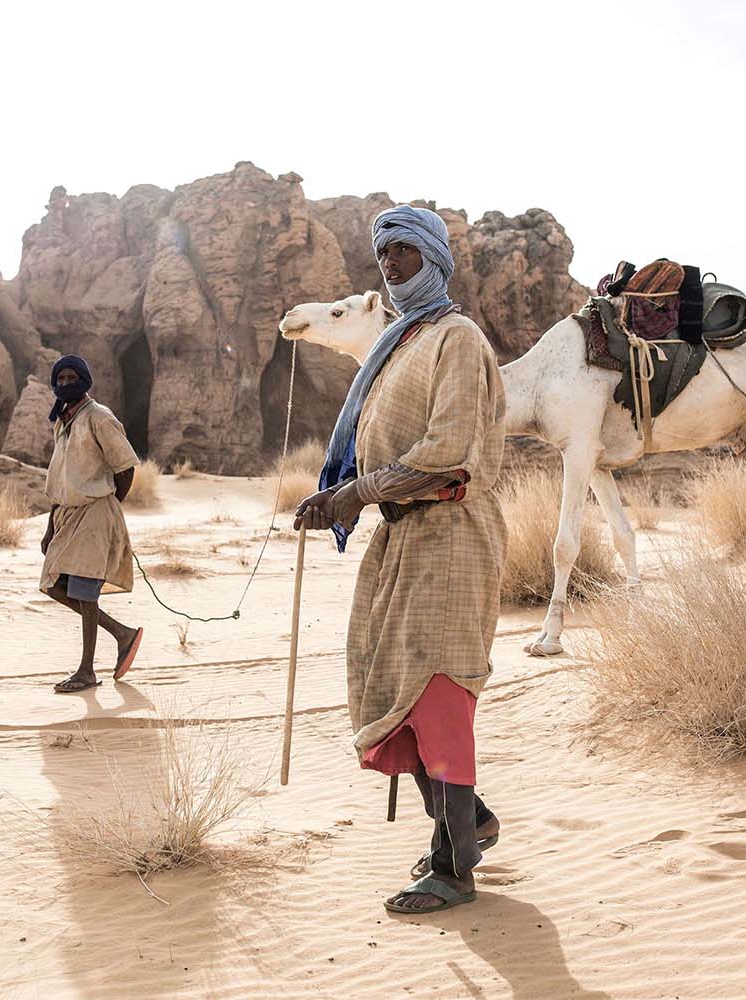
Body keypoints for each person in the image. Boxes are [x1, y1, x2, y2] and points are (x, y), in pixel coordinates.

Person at [294, 205, 508, 914]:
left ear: (434, 260)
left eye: (405, 253)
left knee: (438, 693)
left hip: (451, 531)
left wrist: (354, 492)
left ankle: (454, 869)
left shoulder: (458, 339)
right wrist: (346, 496)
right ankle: (466, 824)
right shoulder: (401, 340)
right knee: (398, 688)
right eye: (383, 254)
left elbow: (447, 452)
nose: (390, 264)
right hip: (402, 535)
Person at [39, 356, 144, 693]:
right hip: (67, 515)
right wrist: (50, 526)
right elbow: (61, 478)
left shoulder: (99, 417)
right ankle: (122, 634)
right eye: (62, 378)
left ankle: (86, 671)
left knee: (84, 590)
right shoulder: (62, 420)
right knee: (55, 584)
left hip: (95, 512)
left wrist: (109, 506)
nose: (67, 383)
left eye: (73, 377)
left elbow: (125, 468)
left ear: (85, 380)